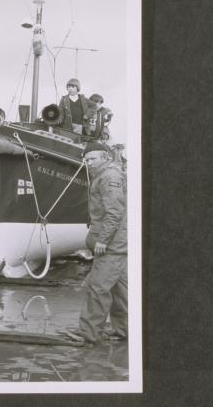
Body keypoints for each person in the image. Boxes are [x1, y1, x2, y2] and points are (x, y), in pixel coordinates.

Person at [76, 141, 128, 344]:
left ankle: (89, 334)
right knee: (120, 290)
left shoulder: (108, 177)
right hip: (120, 245)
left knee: (98, 289)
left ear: (105, 158)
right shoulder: (106, 175)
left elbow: (114, 212)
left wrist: (102, 241)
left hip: (111, 247)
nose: (88, 163)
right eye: (86, 160)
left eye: (92, 159)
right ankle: (124, 330)